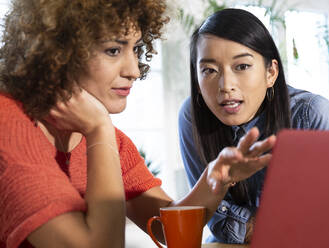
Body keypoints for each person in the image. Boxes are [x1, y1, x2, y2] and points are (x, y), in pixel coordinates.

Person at [0, 1, 276, 248]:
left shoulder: (108, 142)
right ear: (58, 49)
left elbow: (169, 230)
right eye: (113, 50)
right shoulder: (8, 125)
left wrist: (218, 177)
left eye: (136, 49)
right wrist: (99, 129)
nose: (133, 70)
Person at [178, 8, 329, 244]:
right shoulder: (192, 116)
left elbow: (328, 221)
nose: (226, 85)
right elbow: (210, 217)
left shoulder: (311, 115)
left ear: (271, 72)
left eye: (242, 66)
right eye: (210, 70)